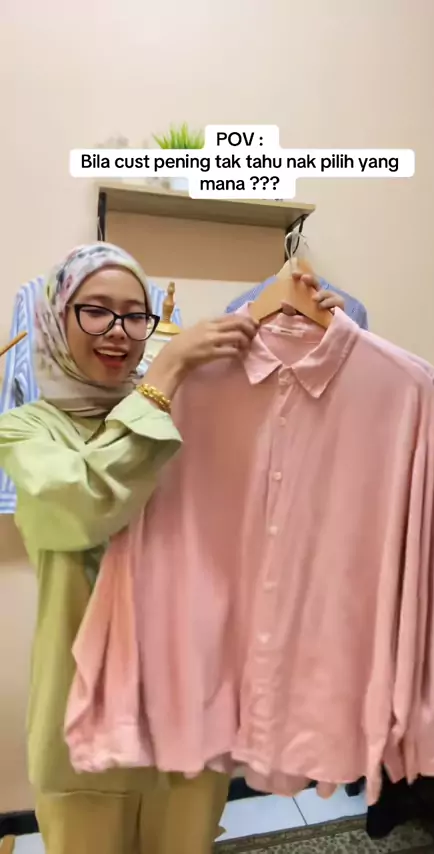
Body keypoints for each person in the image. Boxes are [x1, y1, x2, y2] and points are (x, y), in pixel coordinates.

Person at [0, 242, 345, 854]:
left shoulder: (193, 416)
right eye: (95, 310)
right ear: (56, 316)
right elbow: (85, 506)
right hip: (84, 729)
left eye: (135, 315)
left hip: (191, 717)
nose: (118, 331)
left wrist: (319, 341)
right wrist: (162, 378)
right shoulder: (28, 429)